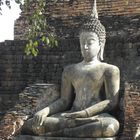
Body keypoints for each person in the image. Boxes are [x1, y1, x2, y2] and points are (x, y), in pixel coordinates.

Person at [22, 0, 120, 138]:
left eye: (90, 42)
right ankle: (70, 131)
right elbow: (64, 101)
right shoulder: (70, 70)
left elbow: (111, 102)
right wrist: (45, 111)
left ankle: (63, 133)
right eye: (82, 43)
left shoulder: (109, 70)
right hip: (69, 116)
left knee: (110, 126)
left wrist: (85, 113)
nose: (85, 47)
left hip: (95, 116)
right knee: (31, 124)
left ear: (101, 44)